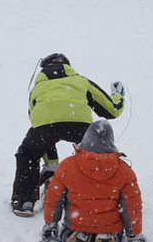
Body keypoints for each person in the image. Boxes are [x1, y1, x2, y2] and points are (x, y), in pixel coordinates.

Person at [11, 53, 125, 217]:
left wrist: (51, 162)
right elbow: (112, 110)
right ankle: (105, 195)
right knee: (95, 155)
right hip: (79, 124)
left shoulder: (38, 87)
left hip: (45, 125)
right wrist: (118, 94)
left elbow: (35, 119)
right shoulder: (80, 80)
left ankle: (24, 200)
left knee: (28, 153)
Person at [42, 120, 144, 242]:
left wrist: (50, 223)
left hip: (75, 223)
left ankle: (78, 236)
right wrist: (134, 232)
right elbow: (131, 206)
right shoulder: (124, 171)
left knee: (69, 231)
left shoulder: (68, 165)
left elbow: (54, 199)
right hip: (110, 226)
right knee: (114, 233)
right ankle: (106, 238)